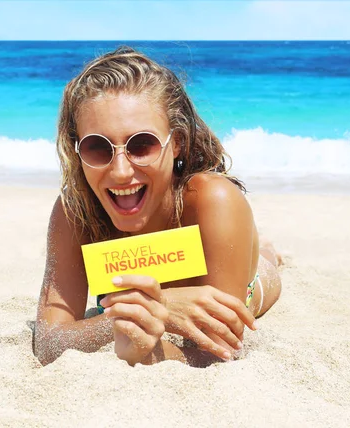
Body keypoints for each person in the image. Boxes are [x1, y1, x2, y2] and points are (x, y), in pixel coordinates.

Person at [34, 46, 282, 367]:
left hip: (250, 283)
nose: (121, 171)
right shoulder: (75, 209)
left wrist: (152, 333)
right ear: (77, 148)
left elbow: (219, 348)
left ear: (176, 141)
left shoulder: (214, 200)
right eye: (98, 147)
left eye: (142, 144)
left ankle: (267, 252)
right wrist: (134, 320)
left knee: (266, 263)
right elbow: (49, 339)